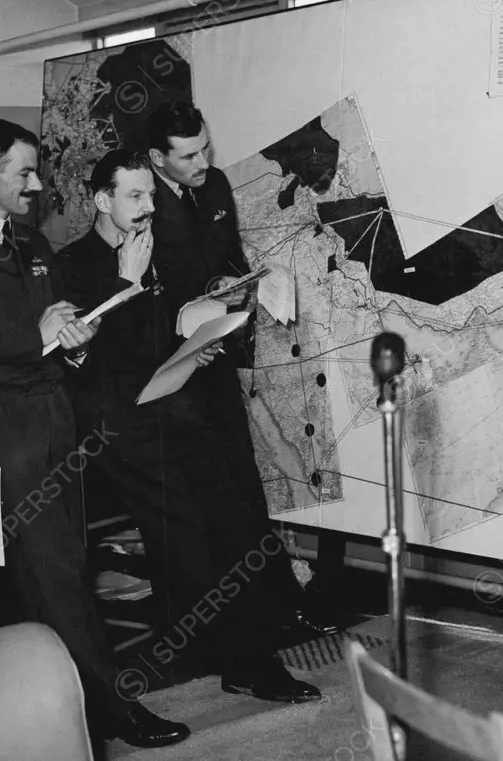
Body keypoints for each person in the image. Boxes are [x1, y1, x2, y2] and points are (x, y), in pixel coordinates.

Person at [0, 117, 190, 748]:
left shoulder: (36, 246)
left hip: (55, 422)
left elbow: (62, 344)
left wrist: (73, 342)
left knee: (55, 571)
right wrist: (37, 336)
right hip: (1, 430)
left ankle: (50, 718)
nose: (37, 184)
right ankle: (111, 711)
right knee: (56, 580)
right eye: (23, 173)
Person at [54, 149, 321, 703]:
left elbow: (167, 331)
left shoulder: (159, 254)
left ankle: (231, 649)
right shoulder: (74, 265)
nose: (149, 206)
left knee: (229, 522)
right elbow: (89, 360)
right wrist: (123, 282)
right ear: (102, 200)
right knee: (191, 537)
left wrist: (193, 345)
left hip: (174, 405)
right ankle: (245, 661)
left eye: (151, 195)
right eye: (135, 196)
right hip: (120, 427)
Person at [145, 101, 339, 646]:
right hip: (175, 373)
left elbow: (228, 255)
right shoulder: (141, 200)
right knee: (207, 506)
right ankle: (226, 628)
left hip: (220, 357)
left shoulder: (212, 187)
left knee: (248, 494)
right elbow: (142, 296)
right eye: (188, 156)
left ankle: (279, 606)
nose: (203, 161)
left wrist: (243, 283)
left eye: (204, 147)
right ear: (157, 158)